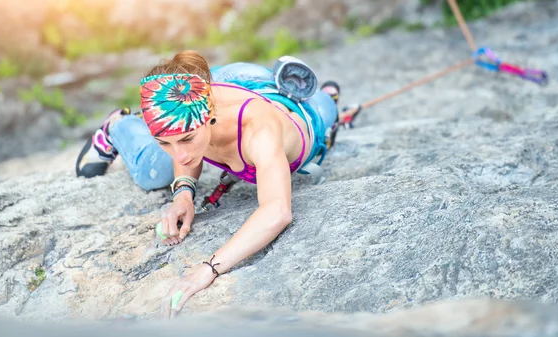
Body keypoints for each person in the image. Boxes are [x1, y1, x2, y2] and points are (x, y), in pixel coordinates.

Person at [75, 50, 359, 318]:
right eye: (165, 142)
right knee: (155, 173)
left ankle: (326, 101)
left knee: (323, 112)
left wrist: (209, 269)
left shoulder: (258, 130)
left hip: (259, 93)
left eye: (187, 139)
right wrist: (183, 194)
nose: (181, 154)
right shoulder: (192, 115)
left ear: (209, 114)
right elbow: (183, 150)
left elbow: (277, 210)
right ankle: (118, 126)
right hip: (218, 82)